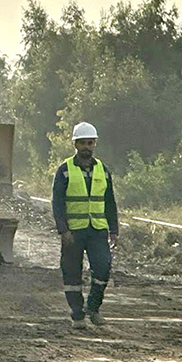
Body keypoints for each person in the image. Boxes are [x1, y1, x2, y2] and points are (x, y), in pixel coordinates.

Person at [52, 121, 119, 328]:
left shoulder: (103, 171)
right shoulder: (64, 170)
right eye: (82, 143)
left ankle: (93, 308)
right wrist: (63, 229)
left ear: (95, 144)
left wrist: (114, 230)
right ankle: (77, 314)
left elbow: (110, 202)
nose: (86, 147)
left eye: (90, 143)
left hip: (97, 230)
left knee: (103, 268)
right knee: (71, 273)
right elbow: (57, 202)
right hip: (73, 231)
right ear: (75, 144)